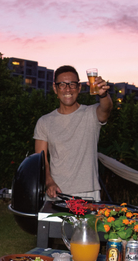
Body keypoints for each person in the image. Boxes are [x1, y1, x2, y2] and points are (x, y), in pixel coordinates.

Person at [34, 65, 113, 202]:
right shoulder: (44, 122)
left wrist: (103, 94)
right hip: (56, 193)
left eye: (72, 84)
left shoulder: (91, 114)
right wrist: (49, 182)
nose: (68, 89)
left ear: (79, 88)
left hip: (88, 194)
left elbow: (106, 109)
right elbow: (41, 160)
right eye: (62, 85)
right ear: (55, 89)